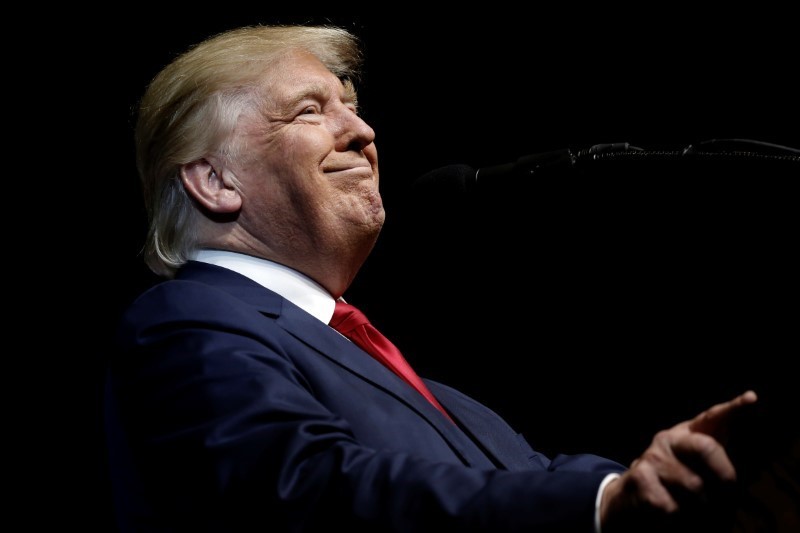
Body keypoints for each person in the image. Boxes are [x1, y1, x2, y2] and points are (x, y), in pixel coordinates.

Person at [105, 23, 760, 532]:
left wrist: (686, 483)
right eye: (309, 110)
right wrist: (606, 501)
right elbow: (309, 490)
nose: (362, 131)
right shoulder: (184, 321)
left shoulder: (425, 387)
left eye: (353, 107)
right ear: (215, 181)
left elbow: (531, 476)